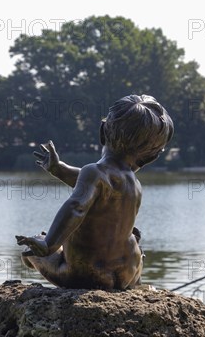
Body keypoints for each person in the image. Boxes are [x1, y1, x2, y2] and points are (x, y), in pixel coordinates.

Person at [16, 95, 173, 290]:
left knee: (33, 249)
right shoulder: (134, 185)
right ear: (151, 157)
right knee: (131, 236)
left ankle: (38, 252)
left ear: (102, 132)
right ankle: (137, 282)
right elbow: (93, 186)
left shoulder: (94, 172)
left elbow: (77, 206)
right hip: (127, 273)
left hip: (86, 274)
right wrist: (59, 169)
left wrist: (50, 243)